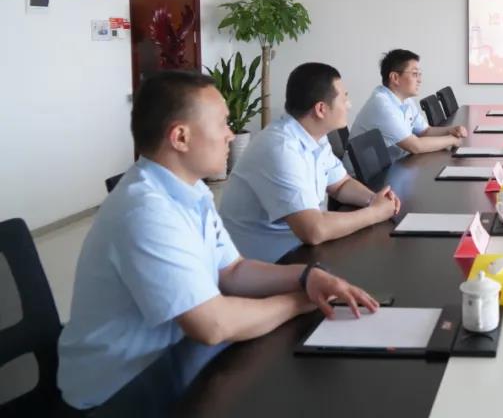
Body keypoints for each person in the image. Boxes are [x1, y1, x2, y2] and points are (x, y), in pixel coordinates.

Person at [58, 71, 378, 410]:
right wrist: (299, 301)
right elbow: (213, 325)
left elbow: (233, 271)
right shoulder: (145, 210)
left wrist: (306, 276)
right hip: (122, 391)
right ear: (180, 137)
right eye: (223, 123)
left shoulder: (191, 189)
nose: (231, 134)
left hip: (176, 359)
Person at [220, 63, 401, 263]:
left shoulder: (315, 137)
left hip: (302, 251)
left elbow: (341, 184)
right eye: (344, 98)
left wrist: (374, 199)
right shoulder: (281, 148)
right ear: (321, 109)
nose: (349, 105)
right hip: (267, 266)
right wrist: (374, 213)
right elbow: (314, 230)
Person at [352, 49, 466, 161]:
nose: (419, 80)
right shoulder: (381, 105)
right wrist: (452, 140)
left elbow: (425, 131)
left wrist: (451, 130)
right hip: (370, 172)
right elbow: (415, 146)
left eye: (419, 74)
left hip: (396, 163)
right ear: (395, 78)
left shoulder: (405, 99)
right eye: (415, 74)